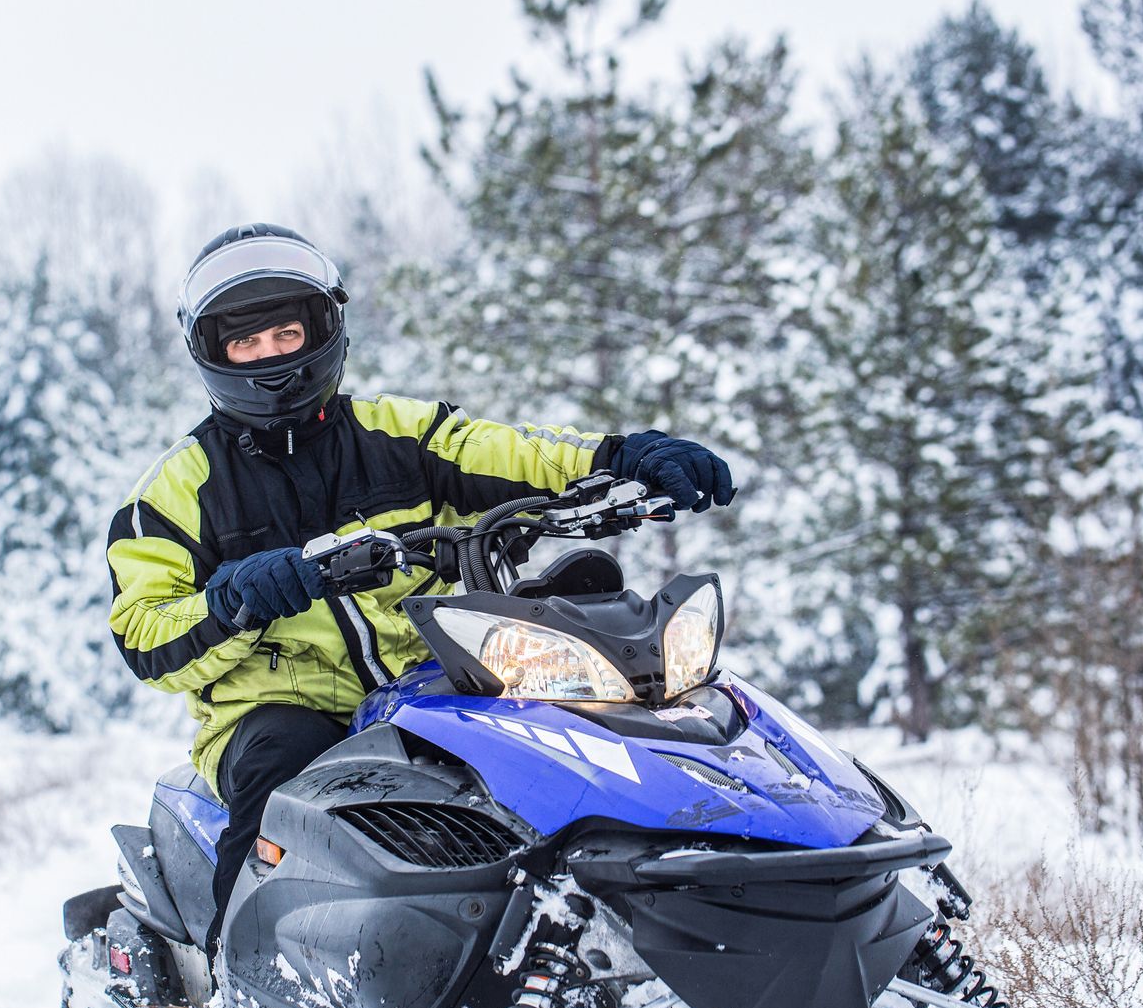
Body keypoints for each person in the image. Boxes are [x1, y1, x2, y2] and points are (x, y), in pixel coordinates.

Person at [106, 223, 734, 953]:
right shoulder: (175, 492)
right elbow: (144, 634)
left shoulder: (397, 432)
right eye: (246, 343)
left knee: (563, 733)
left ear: (324, 328)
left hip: (435, 672)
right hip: (280, 707)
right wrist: (233, 600)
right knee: (279, 763)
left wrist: (621, 455)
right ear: (212, 354)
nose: (271, 356)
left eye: (285, 332)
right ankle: (240, 977)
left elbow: (505, 451)